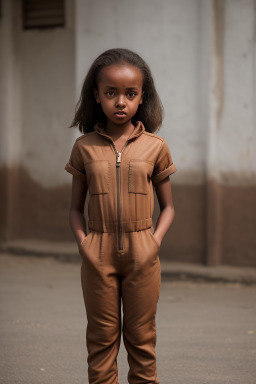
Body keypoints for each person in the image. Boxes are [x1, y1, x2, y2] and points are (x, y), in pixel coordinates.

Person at [64, 48, 177, 384]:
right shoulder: (84, 147)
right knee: (100, 339)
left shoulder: (155, 147)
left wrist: (153, 242)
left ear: (142, 97)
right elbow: (74, 208)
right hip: (97, 253)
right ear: (96, 95)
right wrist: (86, 244)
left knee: (142, 340)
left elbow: (169, 206)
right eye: (111, 92)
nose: (120, 102)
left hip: (143, 251)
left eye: (130, 94)